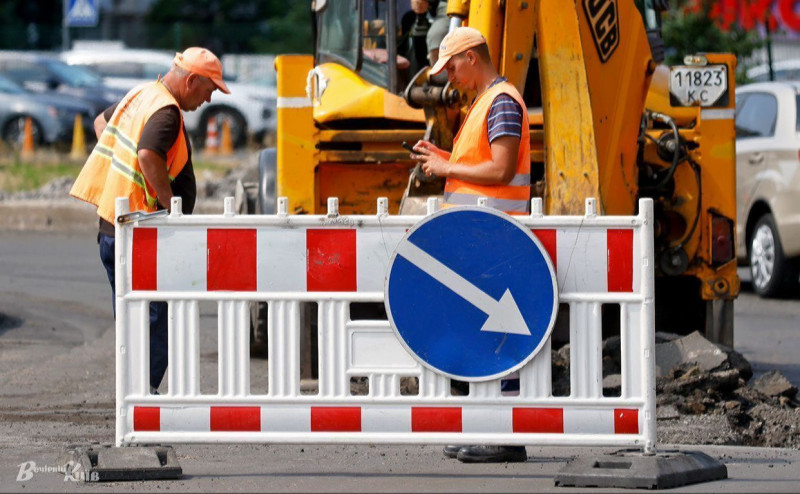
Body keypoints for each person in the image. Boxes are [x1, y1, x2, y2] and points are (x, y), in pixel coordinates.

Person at [69, 47, 230, 395]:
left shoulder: (143, 94)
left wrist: (123, 164)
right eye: (208, 90)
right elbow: (147, 153)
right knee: (157, 319)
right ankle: (143, 395)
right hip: (142, 234)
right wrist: (171, 205)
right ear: (191, 80)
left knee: (133, 320)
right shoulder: (166, 111)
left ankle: (135, 393)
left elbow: (102, 123)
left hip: (116, 227)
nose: (208, 100)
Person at [408, 27, 531, 463]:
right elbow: (482, 167)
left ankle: (505, 436)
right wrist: (445, 158)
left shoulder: (501, 102)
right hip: (483, 237)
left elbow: (500, 170)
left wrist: (447, 166)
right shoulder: (484, 103)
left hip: (497, 238)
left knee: (500, 336)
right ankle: (489, 428)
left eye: (452, 66)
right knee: (485, 334)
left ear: (472, 58)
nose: (449, 77)